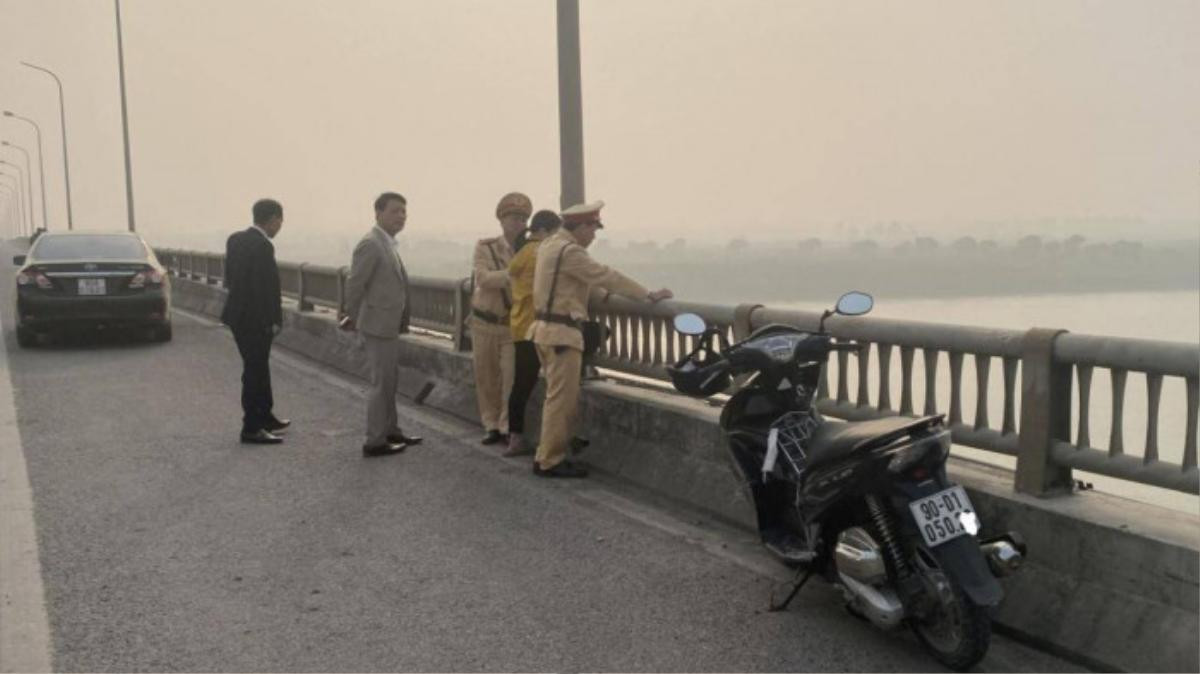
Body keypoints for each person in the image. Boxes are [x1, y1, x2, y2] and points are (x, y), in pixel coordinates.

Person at [529, 200, 673, 477]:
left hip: (545, 331)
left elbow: (574, 283)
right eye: (593, 228)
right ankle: (549, 460)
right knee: (561, 402)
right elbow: (606, 275)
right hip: (561, 335)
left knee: (555, 398)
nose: (594, 235)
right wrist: (648, 295)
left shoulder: (550, 246)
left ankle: (548, 455)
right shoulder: (569, 251)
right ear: (581, 226)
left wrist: (601, 296)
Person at [340, 192, 424, 457]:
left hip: (386, 323)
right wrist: (348, 316)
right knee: (381, 383)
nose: (401, 216)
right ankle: (374, 441)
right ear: (378, 213)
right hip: (377, 324)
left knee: (390, 380)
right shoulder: (372, 244)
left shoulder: (386, 242)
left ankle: (391, 430)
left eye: (404, 212)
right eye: (395, 211)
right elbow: (355, 283)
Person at [220, 198, 289, 444]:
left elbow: (229, 278)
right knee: (254, 371)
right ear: (273, 219)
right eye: (280, 221)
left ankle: (265, 415)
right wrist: (273, 320)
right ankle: (251, 427)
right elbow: (266, 289)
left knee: (258, 367)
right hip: (255, 320)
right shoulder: (263, 246)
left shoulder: (235, 239)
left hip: (237, 316)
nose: (280, 226)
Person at [471, 192, 529, 445]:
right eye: (513, 217)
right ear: (502, 220)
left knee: (510, 378)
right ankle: (490, 424)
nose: (518, 223)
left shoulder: (529, 249)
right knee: (485, 376)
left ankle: (506, 427)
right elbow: (483, 279)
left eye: (522, 218)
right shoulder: (486, 247)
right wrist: (514, 273)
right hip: (484, 321)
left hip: (510, 325)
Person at [503, 209, 561, 457]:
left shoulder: (522, 251)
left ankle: (515, 437)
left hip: (519, 325)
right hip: (539, 326)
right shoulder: (542, 252)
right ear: (545, 231)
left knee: (522, 383)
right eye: (556, 233)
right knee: (556, 383)